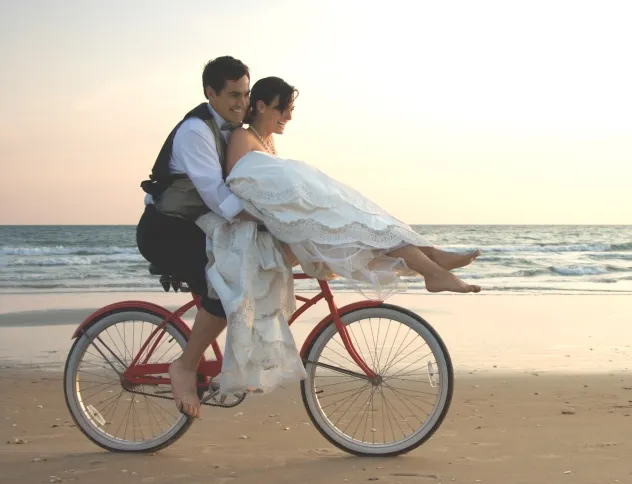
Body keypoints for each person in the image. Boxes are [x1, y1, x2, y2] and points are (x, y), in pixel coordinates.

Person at [220, 76, 483, 296]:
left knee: (373, 224)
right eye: (283, 109)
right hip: (278, 230)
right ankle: (434, 269)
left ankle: (433, 258)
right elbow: (239, 186)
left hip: (294, 223)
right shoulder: (243, 137)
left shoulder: (266, 143)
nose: (288, 116)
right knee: (366, 230)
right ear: (262, 106)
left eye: (291, 109)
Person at [136, 56, 260, 419]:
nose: (242, 103)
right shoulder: (196, 132)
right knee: (225, 288)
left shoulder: (235, 129)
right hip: (165, 231)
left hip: (193, 228)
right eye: (234, 95)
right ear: (211, 93)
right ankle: (185, 367)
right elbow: (218, 198)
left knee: (245, 274)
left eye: (247, 94)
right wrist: (267, 216)